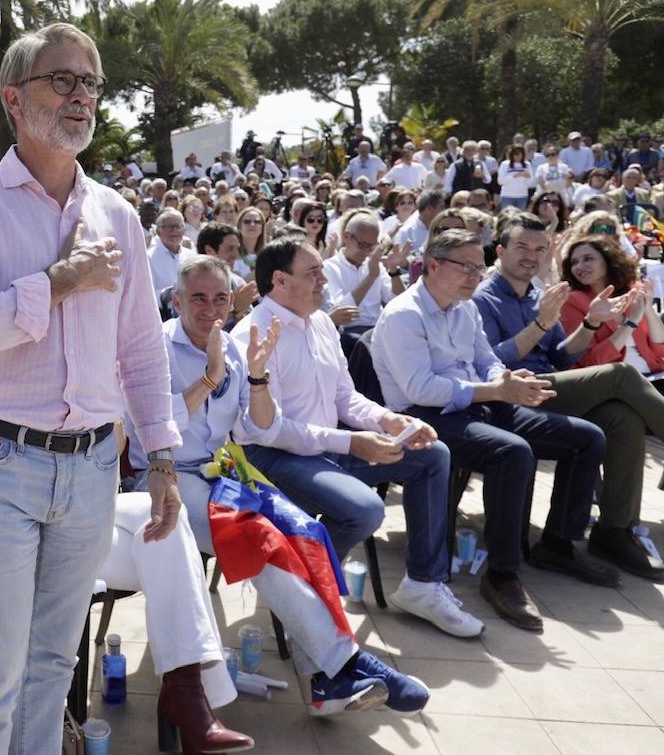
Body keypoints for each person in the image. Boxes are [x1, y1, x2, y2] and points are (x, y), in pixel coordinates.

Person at [0, 23, 184, 754]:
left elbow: (140, 347)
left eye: (91, 82)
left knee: (52, 662)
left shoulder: (117, 214)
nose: (81, 96)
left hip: (91, 467)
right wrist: (61, 281)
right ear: (15, 98)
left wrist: (161, 459)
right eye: (63, 80)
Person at [123, 256, 430, 723]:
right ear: (177, 300)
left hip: (219, 472)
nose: (210, 309)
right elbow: (153, 429)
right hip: (163, 479)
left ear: (232, 300)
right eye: (199, 298)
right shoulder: (154, 349)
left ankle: (329, 677)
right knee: (259, 540)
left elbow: (260, 426)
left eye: (220, 298)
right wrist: (208, 379)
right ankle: (346, 663)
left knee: (303, 530)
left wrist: (258, 377)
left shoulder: (233, 347)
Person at [372, 229, 616, 633]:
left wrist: (507, 379)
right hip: (426, 417)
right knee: (513, 451)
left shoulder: (463, 308)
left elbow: (485, 359)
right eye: (465, 267)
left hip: (479, 404)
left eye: (478, 268)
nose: (474, 276)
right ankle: (502, 574)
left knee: (587, 437)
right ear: (433, 266)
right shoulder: (404, 314)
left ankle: (558, 543)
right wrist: (496, 388)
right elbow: (421, 389)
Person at [231, 238, 475, 638]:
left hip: (325, 446)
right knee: (363, 510)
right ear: (279, 280)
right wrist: (352, 442)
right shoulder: (253, 335)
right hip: (273, 458)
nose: (324, 279)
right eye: (312, 273)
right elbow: (267, 429)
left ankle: (423, 585)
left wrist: (388, 420)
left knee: (432, 455)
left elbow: (345, 397)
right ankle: (308, 592)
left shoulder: (322, 322)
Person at [474, 215, 664, 578]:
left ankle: (613, 531)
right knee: (621, 376)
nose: (531, 256)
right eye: (522, 247)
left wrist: (590, 323)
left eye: (540, 249)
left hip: (550, 386)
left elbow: (562, 356)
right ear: (500, 251)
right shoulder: (484, 298)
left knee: (623, 420)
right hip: (511, 393)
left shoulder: (536, 294)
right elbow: (492, 360)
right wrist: (541, 323)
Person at [559, 234, 664, 380]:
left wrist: (648, 310)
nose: (579, 266)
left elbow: (660, 349)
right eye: (574, 262)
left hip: (654, 373)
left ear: (608, 260)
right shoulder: (572, 301)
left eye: (588, 258)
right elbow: (591, 362)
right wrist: (631, 323)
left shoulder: (634, 289)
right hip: (613, 383)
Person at [322, 209, 410, 341]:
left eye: (371, 247)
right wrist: (370, 278)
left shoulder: (375, 265)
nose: (366, 251)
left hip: (377, 330)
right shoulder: (329, 267)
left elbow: (397, 302)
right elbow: (342, 312)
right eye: (362, 245)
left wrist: (393, 270)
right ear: (346, 236)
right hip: (348, 334)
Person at [148, 208, 198, 295]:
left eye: (178, 226)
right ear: (158, 232)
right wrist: (169, 293)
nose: (174, 230)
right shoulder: (148, 258)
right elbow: (146, 294)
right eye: (169, 226)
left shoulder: (192, 256)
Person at [392, 189, 446, 255]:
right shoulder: (406, 232)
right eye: (441, 207)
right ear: (429, 209)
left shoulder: (444, 229)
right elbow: (399, 261)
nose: (445, 211)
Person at [498, 145, 534, 210]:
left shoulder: (527, 164)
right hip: (507, 196)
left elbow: (530, 184)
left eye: (521, 154)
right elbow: (500, 181)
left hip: (522, 196)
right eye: (516, 154)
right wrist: (515, 175)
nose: (518, 156)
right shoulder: (505, 164)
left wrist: (528, 177)